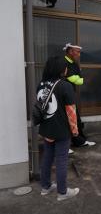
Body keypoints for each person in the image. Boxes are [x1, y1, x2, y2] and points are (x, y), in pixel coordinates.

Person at [37, 56, 80, 201]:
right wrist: (75, 131)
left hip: (46, 128)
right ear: (61, 69)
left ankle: (46, 187)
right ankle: (62, 193)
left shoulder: (42, 84)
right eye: (65, 67)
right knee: (61, 159)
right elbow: (71, 111)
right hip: (61, 130)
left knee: (47, 157)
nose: (66, 68)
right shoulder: (65, 86)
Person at [63, 43, 96, 150]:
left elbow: (78, 80)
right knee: (64, 119)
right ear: (70, 51)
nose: (79, 54)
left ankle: (79, 141)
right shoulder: (62, 62)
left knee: (74, 118)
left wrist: (78, 78)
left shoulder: (73, 63)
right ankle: (64, 145)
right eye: (77, 52)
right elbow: (75, 79)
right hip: (61, 95)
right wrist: (78, 78)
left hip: (69, 94)